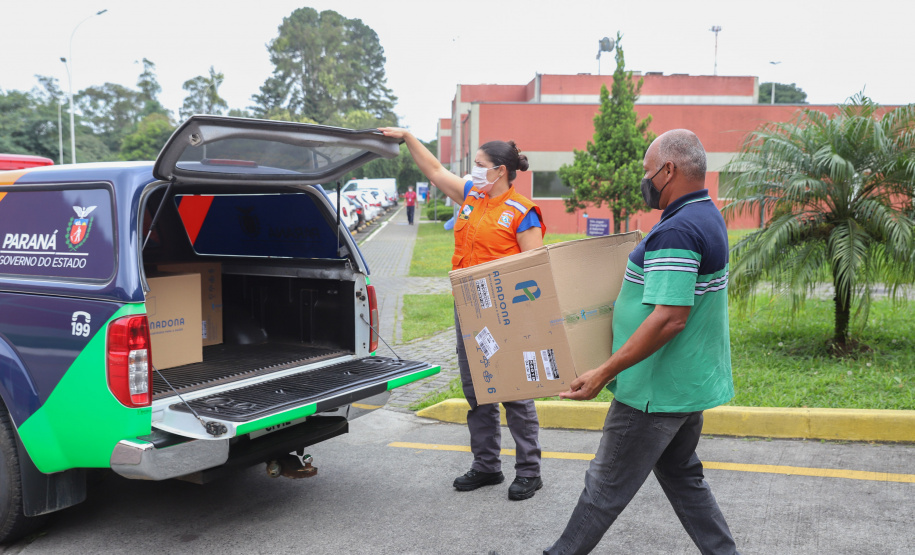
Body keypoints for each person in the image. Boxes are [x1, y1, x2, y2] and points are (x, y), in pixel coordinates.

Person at [544, 129, 739, 554]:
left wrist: (604, 371)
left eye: (648, 172)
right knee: (684, 478)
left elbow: (670, 318)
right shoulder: (705, 215)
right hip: (683, 385)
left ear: (668, 170)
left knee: (603, 489)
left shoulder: (680, 231)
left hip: (653, 391)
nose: (645, 181)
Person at [380, 126, 546, 501]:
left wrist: (524, 320)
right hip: (467, 305)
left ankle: (529, 472)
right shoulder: (473, 196)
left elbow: (533, 271)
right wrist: (407, 137)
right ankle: (487, 466)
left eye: (479, 165)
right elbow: (435, 170)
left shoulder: (523, 213)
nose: (472, 172)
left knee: (514, 391)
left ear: (500, 170)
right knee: (477, 389)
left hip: (504, 312)